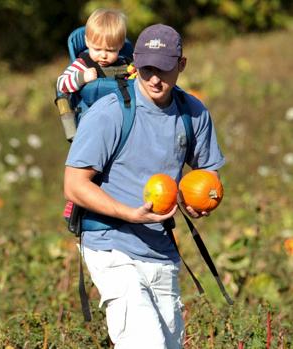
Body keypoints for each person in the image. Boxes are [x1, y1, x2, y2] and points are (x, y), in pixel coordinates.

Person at [63, 24, 225, 348]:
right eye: (147, 68)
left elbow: (208, 173)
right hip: (109, 243)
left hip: (161, 248)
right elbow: (74, 184)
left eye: (164, 69)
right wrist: (129, 214)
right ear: (135, 63)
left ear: (181, 65)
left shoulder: (193, 113)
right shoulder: (109, 113)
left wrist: (200, 202)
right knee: (146, 343)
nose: (154, 79)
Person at [56, 8, 131, 95]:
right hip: (93, 107)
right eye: (97, 49)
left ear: (120, 46)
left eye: (110, 50)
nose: (103, 55)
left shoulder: (125, 63)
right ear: (87, 42)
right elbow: (60, 84)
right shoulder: (83, 65)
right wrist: (83, 77)